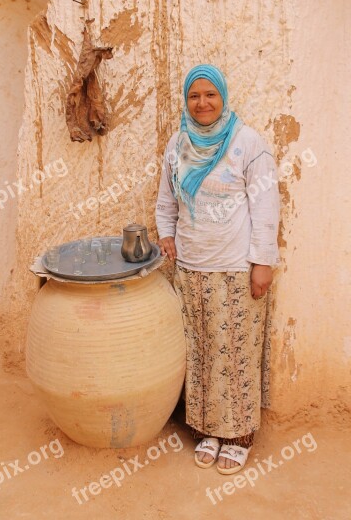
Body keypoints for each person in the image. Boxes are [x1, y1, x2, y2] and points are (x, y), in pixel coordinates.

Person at [156, 64, 280, 475]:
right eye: (195, 96)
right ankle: (209, 428)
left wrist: (262, 263)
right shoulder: (177, 144)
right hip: (191, 267)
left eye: (210, 95)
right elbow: (167, 201)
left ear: (223, 97)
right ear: (186, 101)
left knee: (237, 353)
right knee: (203, 350)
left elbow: (265, 208)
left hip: (235, 268)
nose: (202, 103)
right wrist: (167, 235)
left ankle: (239, 435)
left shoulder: (248, 143)